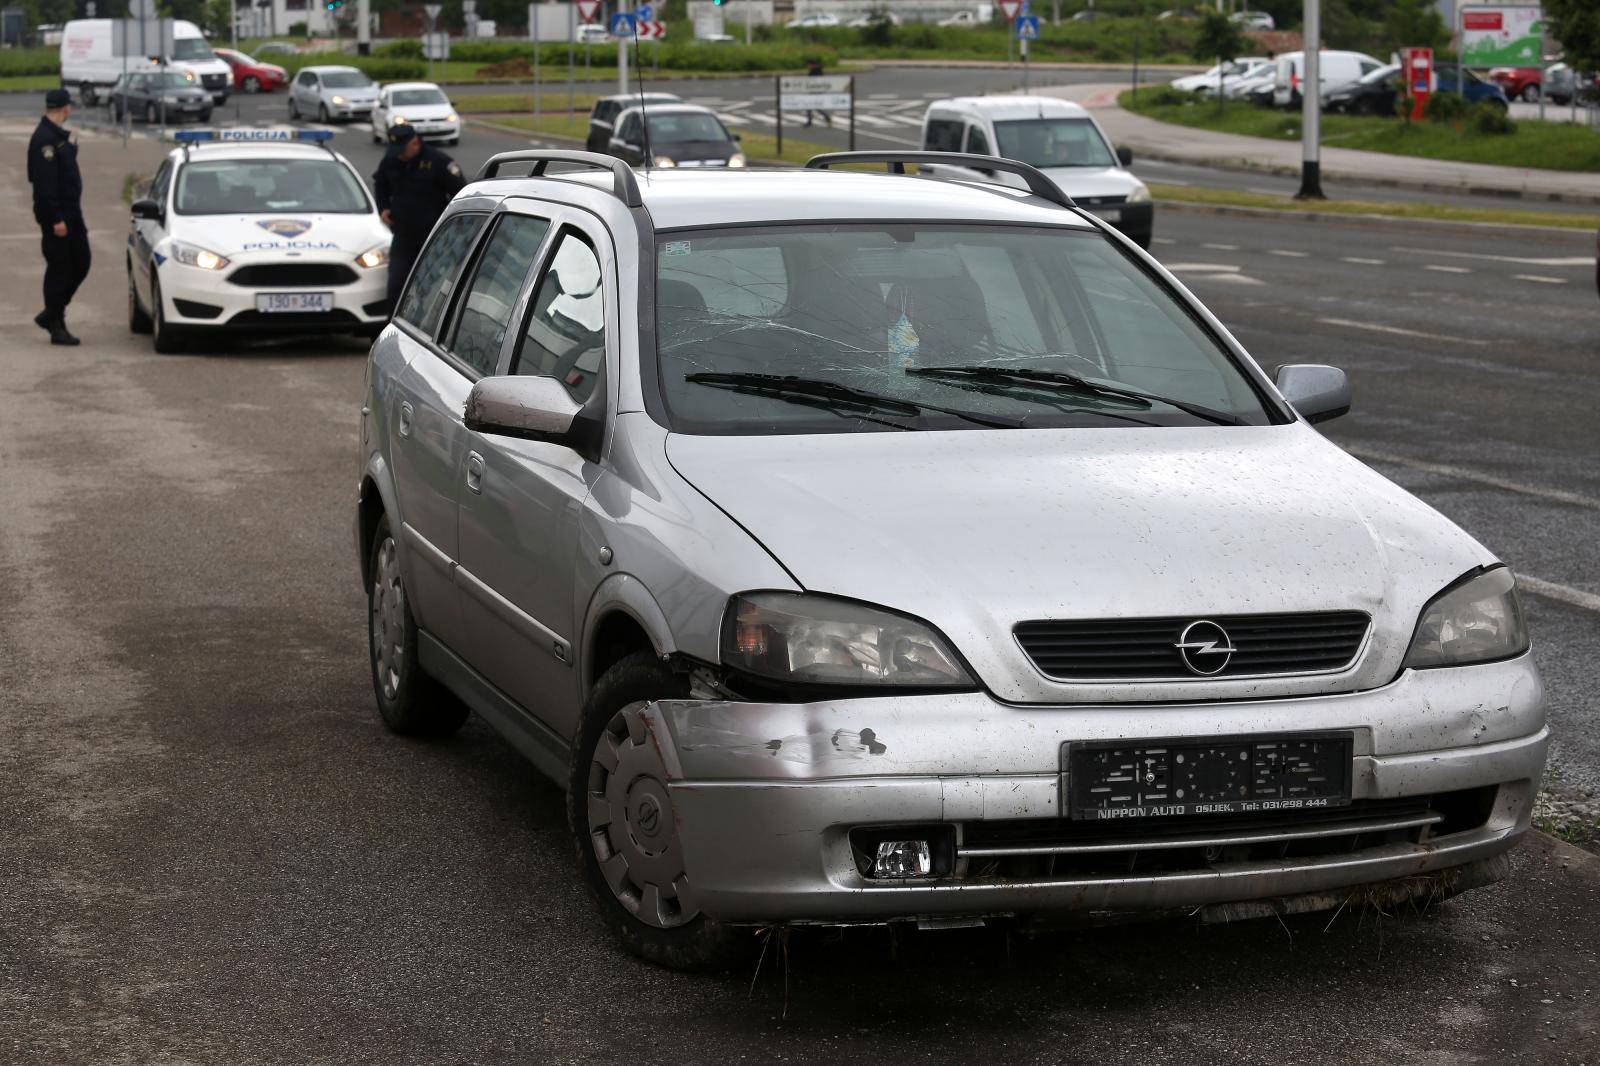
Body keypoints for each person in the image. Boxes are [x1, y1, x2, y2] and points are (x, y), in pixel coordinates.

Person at [372, 124, 465, 312]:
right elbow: (380, 183)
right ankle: (391, 328)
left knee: (430, 288)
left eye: (401, 150)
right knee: (396, 288)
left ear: (415, 143)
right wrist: (383, 208)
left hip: (434, 240)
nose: (398, 155)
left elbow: (461, 194)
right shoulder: (391, 160)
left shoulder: (438, 162)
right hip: (403, 238)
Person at [28, 88, 89, 346]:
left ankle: (51, 312)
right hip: (59, 218)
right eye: (69, 107)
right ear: (64, 108)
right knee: (60, 269)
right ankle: (56, 325)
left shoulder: (57, 136)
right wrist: (56, 220)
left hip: (71, 213)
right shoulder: (45, 140)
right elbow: (45, 187)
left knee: (81, 262)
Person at [803, 57, 832, 128]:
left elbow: (816, 81)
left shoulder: (816, 71)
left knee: (815, 106)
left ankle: (827, 117)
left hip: (816, 91)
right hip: (813, 90)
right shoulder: (814, 70)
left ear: (812, 65)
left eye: (808, 65)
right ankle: (809, 121)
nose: (808, 66)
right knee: (809, 106)